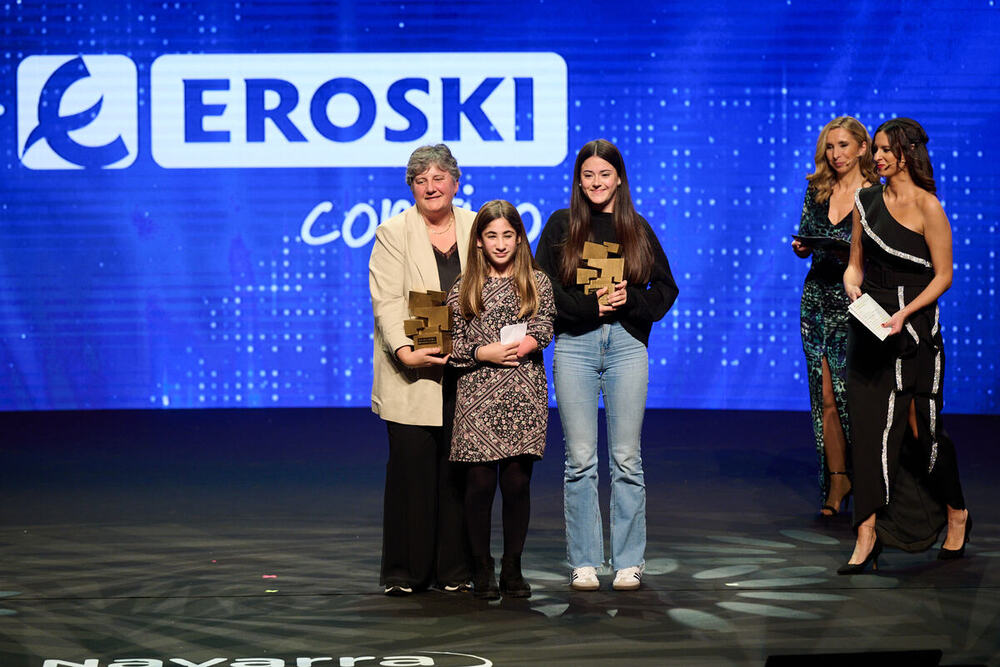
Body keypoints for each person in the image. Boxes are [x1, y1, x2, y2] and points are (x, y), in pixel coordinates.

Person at [535, 139, 679, 591]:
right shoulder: (562, 225)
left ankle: (629, 559)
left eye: (605, 174)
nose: (596, 182)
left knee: (626, 458)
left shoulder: (635, 227)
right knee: (579, 460)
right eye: (588, 175)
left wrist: (628, 299)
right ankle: (584, 559)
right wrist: (587, 308)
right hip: (575, 346)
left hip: (625, 347)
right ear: (579, 181)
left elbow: (666, 290)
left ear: (619, 178)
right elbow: (542, 287)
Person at [839, 118, 971, 574]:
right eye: (874, 149)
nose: (876, 157)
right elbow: (854, 265)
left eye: (885, 150)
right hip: (871, 331)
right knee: (868, 429)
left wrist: (904, 314)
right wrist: (852, 286)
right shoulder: (865, 200)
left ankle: (955, 512)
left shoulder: (927, 206)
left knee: (925, 433)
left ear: (908, 153)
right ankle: (867, 533)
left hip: (914, 335)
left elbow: (943, 275)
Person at [368, 144, 474, 595]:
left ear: (455, 181)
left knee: (461, 472)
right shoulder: (393, 232)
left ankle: (456, 570)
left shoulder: (478, 224)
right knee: (413, 470)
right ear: (411, 187)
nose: (430, 187)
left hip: (471, 369)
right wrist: (405, 349)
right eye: (420, 179)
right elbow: (388, 301)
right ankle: (405, 572)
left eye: (438, 177)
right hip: (413, 368)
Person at [447, 200, 556, 600]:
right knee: (478, 485)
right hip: (476, 393)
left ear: (519, 238)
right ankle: (481, 566)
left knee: (515, 483)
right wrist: (483, 353)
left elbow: (545, 323)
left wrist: (521, 346)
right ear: (478, 241)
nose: (499, 243)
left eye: (507, 235)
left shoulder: (536, 281)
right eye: (491, 235)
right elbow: (452, 342)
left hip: (521, 389)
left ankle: (513, 566)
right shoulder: (463, 287)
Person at [791, 116, 877, 517]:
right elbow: (808, 233)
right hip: (817, 298)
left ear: (863, 148)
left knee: (855, 397)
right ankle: (838, 479)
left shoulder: (877, 193)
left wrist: (854, 255)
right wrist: (803, 248)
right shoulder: (817, 188)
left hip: (858, 301)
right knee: (824, 396)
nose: (836, 154)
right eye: (830, 146)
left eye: (844, 145)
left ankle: (874, 483)